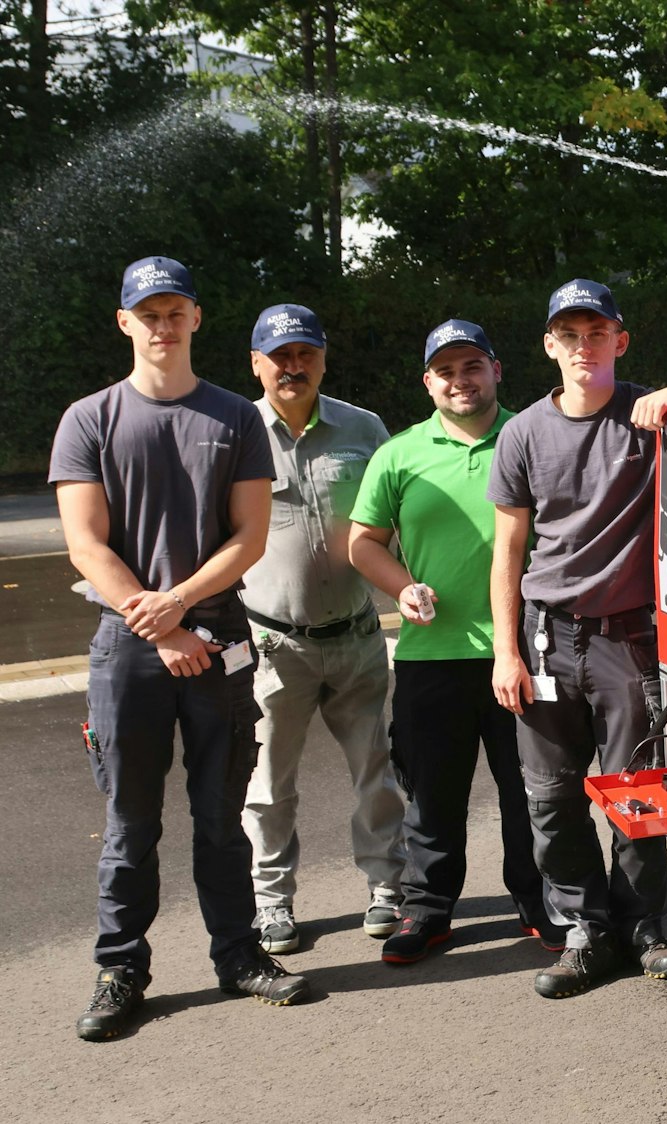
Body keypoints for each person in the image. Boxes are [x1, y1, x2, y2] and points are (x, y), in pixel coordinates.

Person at [51, 257, 311, 1041]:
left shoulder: (234, 418)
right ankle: (120, 970)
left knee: (221, 817)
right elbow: (85, 545)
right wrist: (162, 627)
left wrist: (182, 609)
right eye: (148, 314)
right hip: (129, 649)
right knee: (130, 823)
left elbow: (250, 537)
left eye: (175, 313)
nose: (162, 326)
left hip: (219, 641)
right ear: (125, 323)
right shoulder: (89, 419)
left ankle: (238, 956)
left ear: (196, 319)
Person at [487, 279, 667, 998]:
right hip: (547, 640)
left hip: (629, 640)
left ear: (620, 341)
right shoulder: (522, 433)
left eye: (597, 333)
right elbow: (507, 552)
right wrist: (507, 651)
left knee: (637, 791)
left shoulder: (649, 417)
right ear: (550, 345)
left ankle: (644, 929)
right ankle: (586, 931)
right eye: (570, 335)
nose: (585, 346)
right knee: (550, 798)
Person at [349, 319, 554, 965]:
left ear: (496, 370)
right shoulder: (399, 454)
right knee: (433, 796)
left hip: (521, 652)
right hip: (431, 657)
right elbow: (363, 543)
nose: (460, 381)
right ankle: (428, 909)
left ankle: (538, 901)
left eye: (472, 367)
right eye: (446, 371)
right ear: (428, 382)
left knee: (531, 793)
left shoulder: (531, 435)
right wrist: (401, 586)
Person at [236, 303, 405, 954]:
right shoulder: (234, 433)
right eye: (279, 356)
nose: (293, 366)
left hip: (357, 637)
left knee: (375, 773)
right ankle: (271, 902)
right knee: (268, 784)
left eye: (305, 353)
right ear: (256, 363)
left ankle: (387, 888)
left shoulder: (364, 429)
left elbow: (397, 520)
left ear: (323, 359)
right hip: (274, 645)